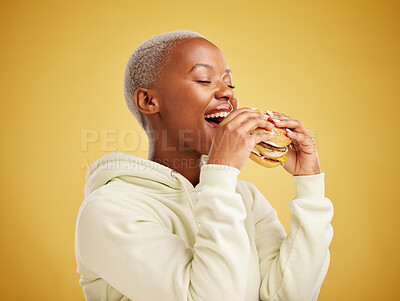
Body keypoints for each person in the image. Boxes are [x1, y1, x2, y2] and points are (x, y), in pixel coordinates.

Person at [74, 30, 333, 301]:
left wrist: (309, 184)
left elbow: (292, 296)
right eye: (204, 79)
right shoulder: (108, 210)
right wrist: (221, 175)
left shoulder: (244, 198)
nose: (226, 94)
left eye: (230, 84)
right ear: (149, 101)